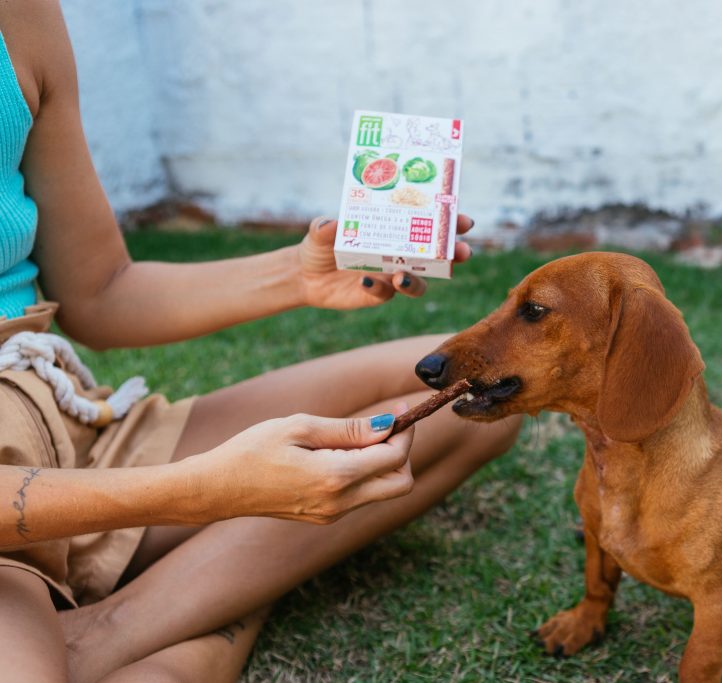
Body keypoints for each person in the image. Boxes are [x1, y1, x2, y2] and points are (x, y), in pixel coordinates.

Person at [0, 2, 522, 681]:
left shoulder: (23, 15)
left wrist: (298, 275)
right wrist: (205, 492)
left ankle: (101, 632)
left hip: (56, 414)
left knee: (476, 390)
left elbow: (99, 290)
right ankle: (208, 599)